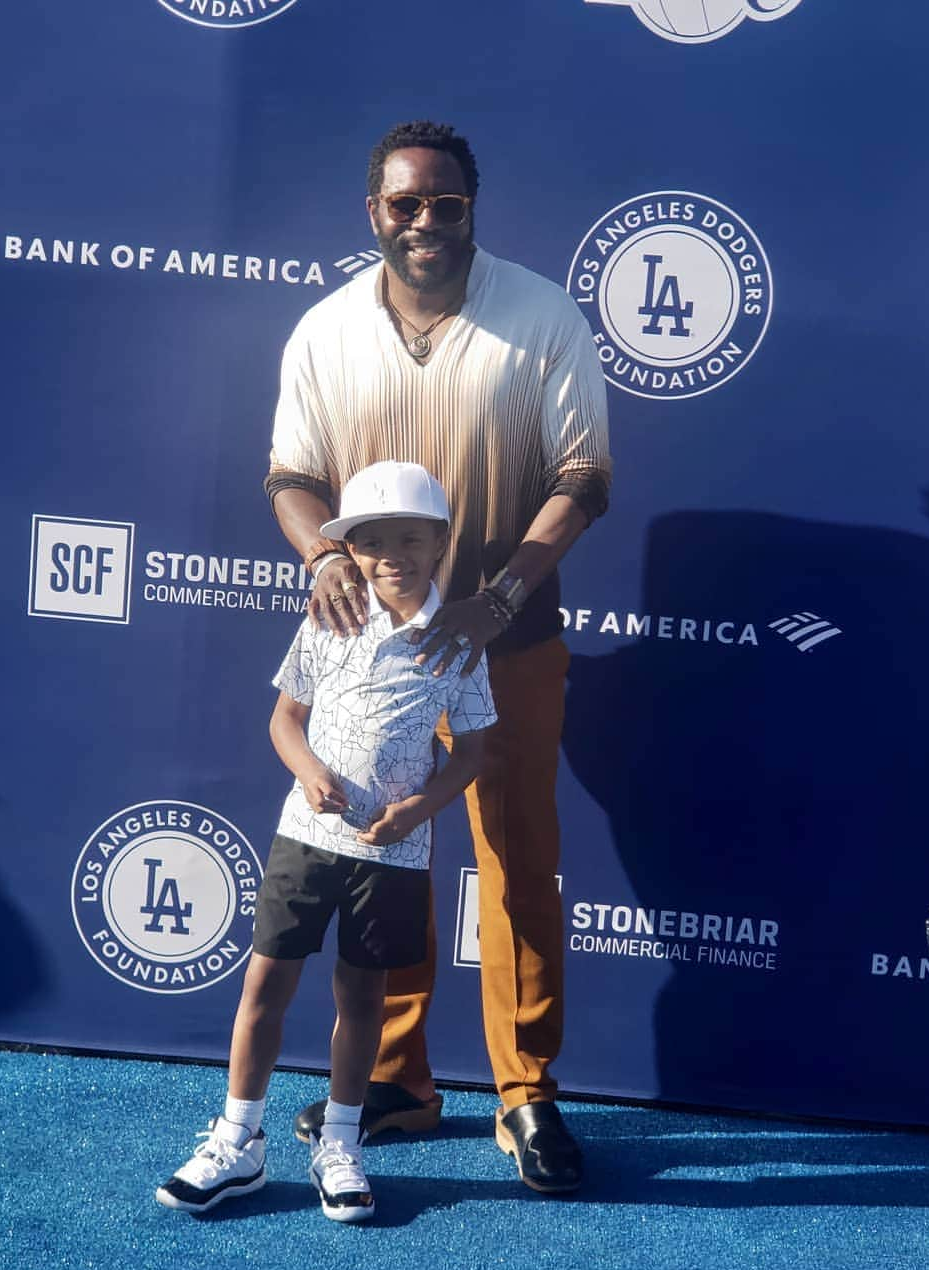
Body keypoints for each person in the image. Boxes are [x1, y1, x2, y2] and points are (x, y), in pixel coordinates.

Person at [265, 121, 611, 1194]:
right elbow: (292, 477)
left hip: (508, 637)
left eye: (444, 204)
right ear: (373, 212)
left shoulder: (543, 315)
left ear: (473, 207)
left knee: (517, 863)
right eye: (404, 204)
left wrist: (501, 593)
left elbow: (584, 479)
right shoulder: (324, 331)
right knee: (381, 859)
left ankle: (527, 1093)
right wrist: (323, 548)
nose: (425, 222)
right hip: (374, 664)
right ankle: (399, 1084)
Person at [155, 461, 496, 1222]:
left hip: (393, 855)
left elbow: (473, 757)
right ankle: (237, 1138)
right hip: (302, 839)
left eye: (410, 538)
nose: (391, 556)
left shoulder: (460, 642)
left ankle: (340, 1141)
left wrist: (416, 812)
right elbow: (284, 721)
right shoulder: (327, 614)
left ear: (441, 542)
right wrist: (308, 771)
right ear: (352, 550)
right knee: (264, 987)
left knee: (363, 996)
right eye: (373, 542)